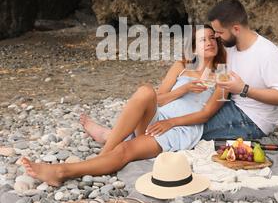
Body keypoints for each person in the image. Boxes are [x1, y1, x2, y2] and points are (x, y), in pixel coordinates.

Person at [21, 25, 228, 186]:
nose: (209, 42)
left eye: (212, 38)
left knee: (126, 149)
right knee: (146, 90)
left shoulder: (223, 76)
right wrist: (183, 90)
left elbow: (206, 114)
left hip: (180, 128)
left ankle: (62, 171)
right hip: (158, 118)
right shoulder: (181, 67)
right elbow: (157, 99)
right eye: (202, 39)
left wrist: (172, 123)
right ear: (193, 47)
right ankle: (104, 154)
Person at [146, 0, 278, 141]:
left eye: (219, 32)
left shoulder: (268, 54)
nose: (216, 36)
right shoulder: (229, 46)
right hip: (229, 104)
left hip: (252, 118)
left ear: (236, 29)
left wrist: (243, 89)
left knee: (188, 130)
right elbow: (201, 57)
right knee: (180, 117)